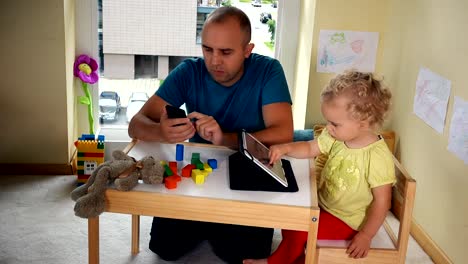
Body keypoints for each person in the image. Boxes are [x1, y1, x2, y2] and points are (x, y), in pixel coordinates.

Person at [127, 6, 293, 264]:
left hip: (247, 173)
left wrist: (224, 138)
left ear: (247, 50)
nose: (214, 61)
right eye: (207, 49)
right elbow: (136, 124)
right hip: (197, 176)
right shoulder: (189, 72)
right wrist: (160, 132)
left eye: (226, 52)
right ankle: (207, 221)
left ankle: (214, 223)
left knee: (240, 253)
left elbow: (284, 132)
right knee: (165, 247)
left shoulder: (269, 71)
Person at [244, 70, 396, 264]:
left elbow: (382, 203)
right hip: (323, 205)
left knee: (301, 228)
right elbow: (309, 147)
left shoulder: (376, 156)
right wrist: (286, 147)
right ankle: (296, 257)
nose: (328, 127)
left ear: (363, 123)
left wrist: (366, 235)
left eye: (335, 123)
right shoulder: (336, 136)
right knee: (292, 219)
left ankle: (272, 263)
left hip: (350, 221)